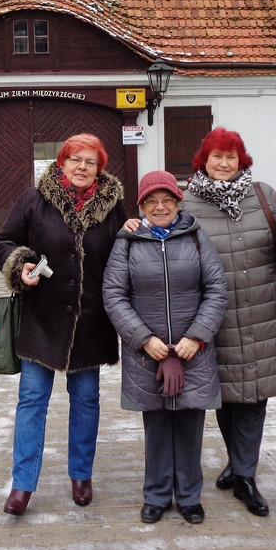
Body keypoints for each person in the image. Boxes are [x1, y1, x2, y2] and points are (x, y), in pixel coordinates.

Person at [0, 133, 127, 516]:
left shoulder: (113, 204)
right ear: (61, 162)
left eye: (90, 162)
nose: (82, 167)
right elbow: (4, 241)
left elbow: (124, 251)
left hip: (91, 319)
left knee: (86, 401)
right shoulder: (35, 199)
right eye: (75, 160)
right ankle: (22, 485)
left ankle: (81, 475)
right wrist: (22, 266)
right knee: (32, 401)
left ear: (99, 168)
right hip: (42, 318)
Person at [182, 128, 276, 518]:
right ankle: (237, 462)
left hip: (261, 312)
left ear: (242, 162)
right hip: (211, 318)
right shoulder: (186, 202)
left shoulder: (263, 196)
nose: (223, 164)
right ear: (204, 160)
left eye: (231, 157)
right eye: (216, 156)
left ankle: (246, 477)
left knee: (254, 394)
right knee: (226, 394)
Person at [102, 170, 229, 525]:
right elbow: (113, 295)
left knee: (190, 424)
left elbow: (216, 289)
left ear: (178, 202)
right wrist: (144, 339)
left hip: (193, 351)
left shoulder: (195, 236)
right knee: (156, 426)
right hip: (147, 353)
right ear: (141, 206)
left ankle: (189, 496)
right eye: (152, 201)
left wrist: (197, 336)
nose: (160, 207)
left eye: (167, 200)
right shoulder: (127, 241)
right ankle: (157, 495)